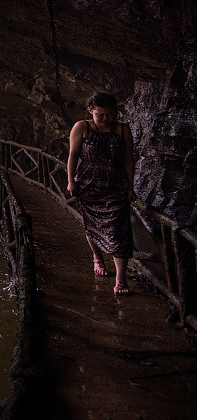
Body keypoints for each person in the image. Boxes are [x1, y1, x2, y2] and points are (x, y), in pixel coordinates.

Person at [67, 91, 136, 296]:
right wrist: (71, 181)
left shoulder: (123, 130)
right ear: (90, 110)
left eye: (110, 114)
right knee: (92, 225)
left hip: (116, 185)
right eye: (101, 115)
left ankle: (121, 279)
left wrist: (130, 186)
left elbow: (129, 159)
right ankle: (97, 257)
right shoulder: (82, 127)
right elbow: (73, 155)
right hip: (89, 184)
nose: (106, 119)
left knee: (119, 230)